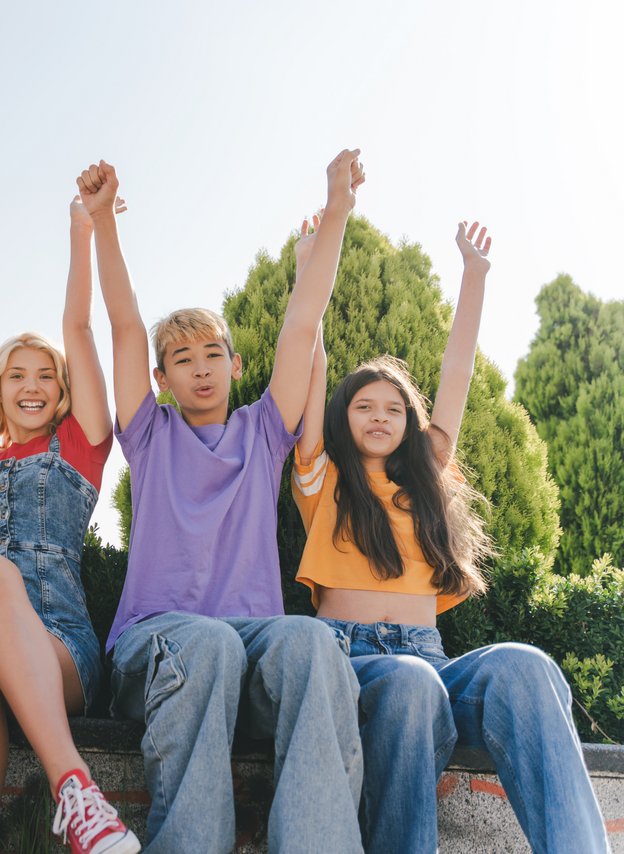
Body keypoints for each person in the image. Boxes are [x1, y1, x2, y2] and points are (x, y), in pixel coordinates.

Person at [291, 220, 610, 853]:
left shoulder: (425, 480)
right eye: (363, 407)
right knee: (409, 682)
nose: (380, 416)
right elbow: (309, 358)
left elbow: (457, 368)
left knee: (526, 665)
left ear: (410, 422)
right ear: (340, 418)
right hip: (348, 663)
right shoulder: (321, 478)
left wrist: (474, 276)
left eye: (394, 408)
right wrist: (309, 269)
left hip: (428, 662)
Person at [96, 152, 368, 853]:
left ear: (235, 364)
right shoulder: (149, 435)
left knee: (312, 640)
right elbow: (125, 325)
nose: (201, 368)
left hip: (252, 645)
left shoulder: (262, 433)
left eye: (212, 353)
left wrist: (335, 211)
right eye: (182, 359)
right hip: (160, 640)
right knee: (210, 642)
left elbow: (303, 326)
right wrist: (103, 223)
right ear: (162, 377)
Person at [0, 189, 139, 854]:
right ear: (1, 386)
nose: (33, 384)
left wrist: (81, 229)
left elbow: (79, 327)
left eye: (46, 374)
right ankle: (74, 791)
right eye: (17, 374)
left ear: (62, 387)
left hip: (58, 644)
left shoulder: (81, 443)